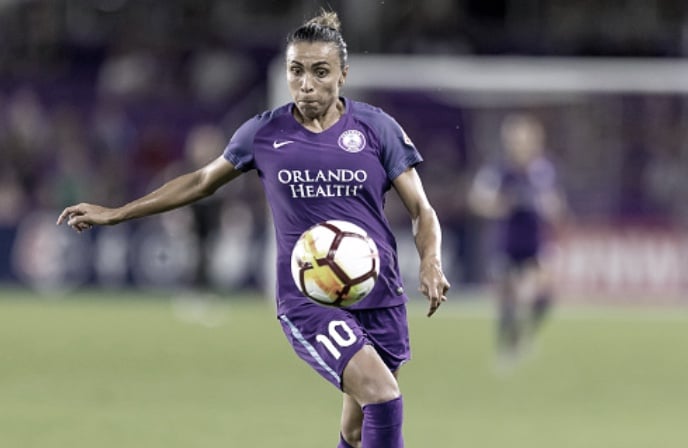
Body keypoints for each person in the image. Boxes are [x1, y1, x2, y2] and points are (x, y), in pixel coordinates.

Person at [57, 10, 450, 448]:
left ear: (343, 74)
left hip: (378, 294)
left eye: (320, 72)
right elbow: (202, 181)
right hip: (309, 298)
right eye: (296, 70)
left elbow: (422, 209)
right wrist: (117, 212)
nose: (306, 83)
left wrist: (431, 259)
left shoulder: (377, 129)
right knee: (382, 395)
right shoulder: (264, 133)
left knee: (358, 431)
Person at [468, 113, 566, 367]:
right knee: (507, 298)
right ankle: (506, 347)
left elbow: (555, 202)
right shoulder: (497, 171)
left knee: (546, 293)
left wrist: (552, 209)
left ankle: (526, 333)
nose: (522, 146)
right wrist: (501, 206)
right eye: (517, 140)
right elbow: (478, 201)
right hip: (507, 240)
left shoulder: (543, 170)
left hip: (535, 240)